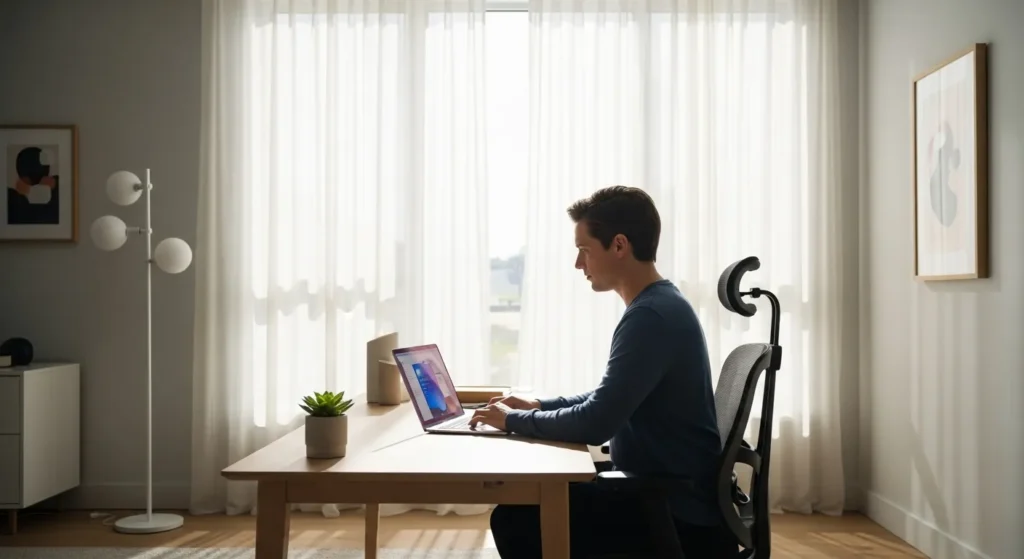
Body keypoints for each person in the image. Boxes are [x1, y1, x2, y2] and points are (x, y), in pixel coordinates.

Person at [469, 185, 735, 558]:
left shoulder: (651, 317)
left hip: (672, 517)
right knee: (531, 504)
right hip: (669, 500)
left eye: (584, 250)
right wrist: (539, 405)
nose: (579, 264)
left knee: (516, 519)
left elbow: (596, 423)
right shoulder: (660, 305)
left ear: (619, 245)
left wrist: (512, 420)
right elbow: (608, 397)